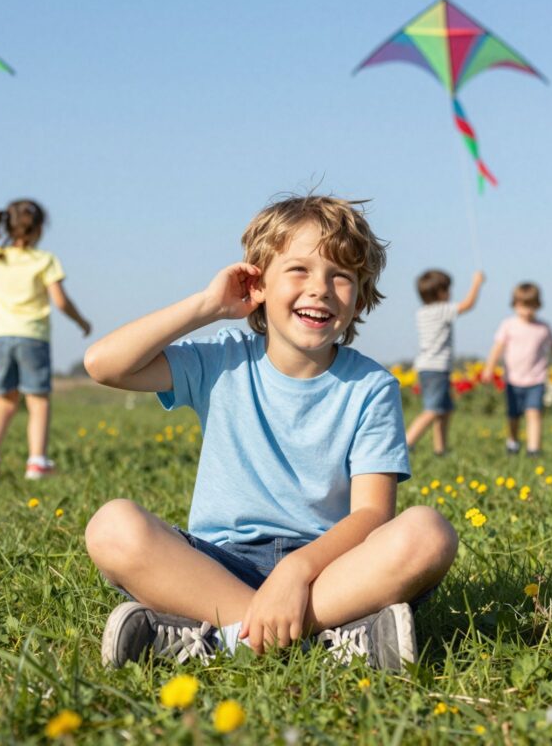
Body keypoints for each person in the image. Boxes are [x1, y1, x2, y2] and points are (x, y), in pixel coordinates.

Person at [83, 195, 458, 672]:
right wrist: (206, 306)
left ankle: (217, 638)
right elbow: (104, 364)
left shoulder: (372, 387)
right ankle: (326, 640)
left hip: (326, 571)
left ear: (361, 297)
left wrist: (296, 571)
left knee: (429, 533)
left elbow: (372, 514)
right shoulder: (220, 360)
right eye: (298, 270)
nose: (319, 289)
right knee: (112, 528)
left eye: (341, 276)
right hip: (217, 565)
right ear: (257, 282)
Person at [0, 200, 92, 480]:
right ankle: (37, 461)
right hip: (32, 336)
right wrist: (81, 321)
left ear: (7, 226)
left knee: (5, 400)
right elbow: (60, 301)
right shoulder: (44, 260)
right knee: (37, 401)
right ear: (39, 229)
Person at [482, 282, 552, 456]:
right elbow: (497, 347)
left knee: (534, 413)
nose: (526, 311)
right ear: (515, 304)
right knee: (513, 416)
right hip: (513, 380)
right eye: (522, 306)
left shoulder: (543, 328)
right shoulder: (508, 325)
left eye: (530, 306)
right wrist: (489, 367)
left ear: (537, 305)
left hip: (536, 379)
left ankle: (533, 449)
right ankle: (513, 442)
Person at [405, 269, 484, 454]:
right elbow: (468, 304)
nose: (450, 293)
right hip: (436, 368)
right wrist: (477, 282)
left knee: (444, 410)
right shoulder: (441, 310)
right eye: (448, 289)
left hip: (428, 367)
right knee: (432, 410)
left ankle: (440, 449)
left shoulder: (422, 312)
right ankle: (406, 444)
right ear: (440, 293)